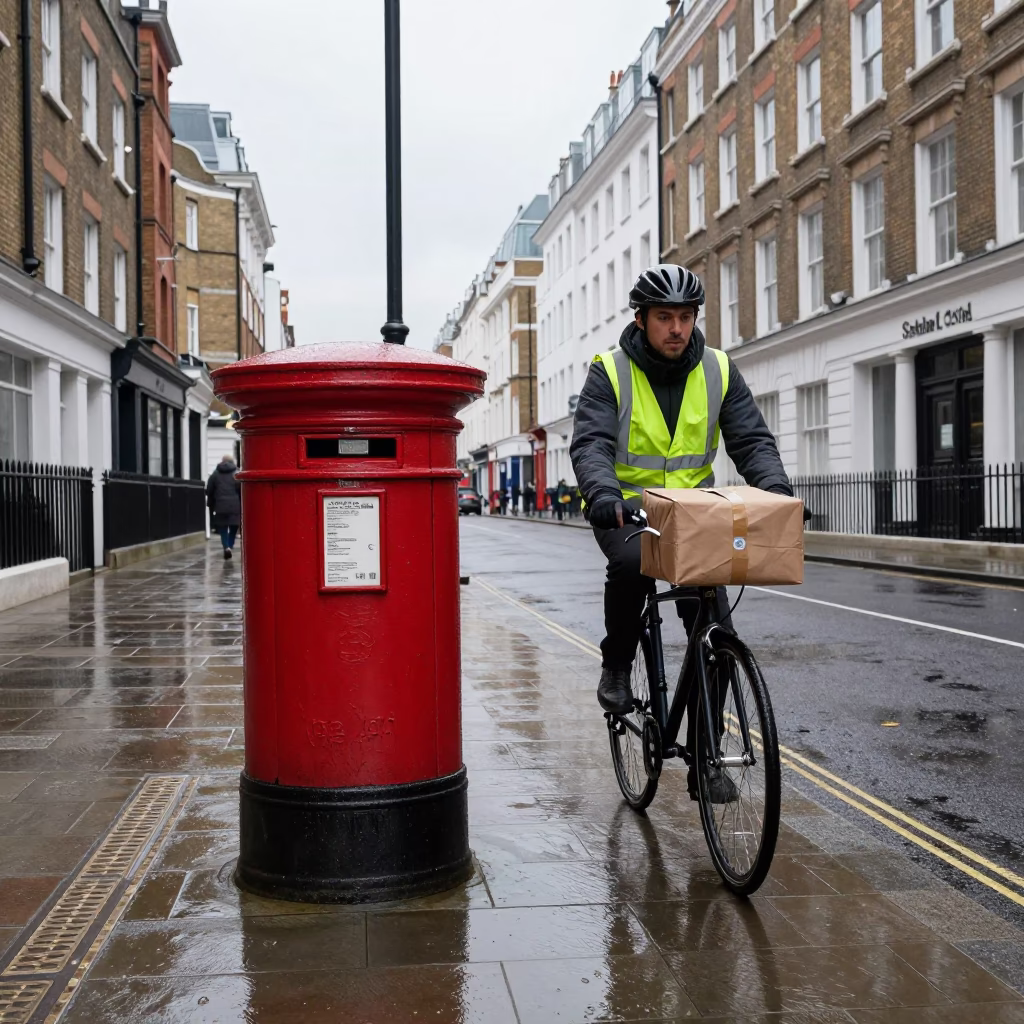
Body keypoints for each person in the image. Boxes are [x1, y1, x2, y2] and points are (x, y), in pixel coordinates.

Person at [570, 264, 793, 801]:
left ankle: (706, 758)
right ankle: (618, 666)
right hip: (629, 509)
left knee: (717, 628)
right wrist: (602, 496)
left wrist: (777, 493)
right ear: (642, 319)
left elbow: (751, 440)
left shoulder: (718, 368)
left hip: (695, 512)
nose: (676, 328)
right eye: (664, 317)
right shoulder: (611, 371)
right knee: (629, 566)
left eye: (686, 317)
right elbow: (592, 443)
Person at [207, 454, 241, 560]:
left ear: (222, 461)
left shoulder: (215, 474)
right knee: (233, 528)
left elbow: (209, 490)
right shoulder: (237, 474)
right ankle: (230, 546)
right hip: (235, 505)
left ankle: (226, 546)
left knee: (222, 528)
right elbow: (241, 490)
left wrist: (211, 503)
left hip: (220, 505)